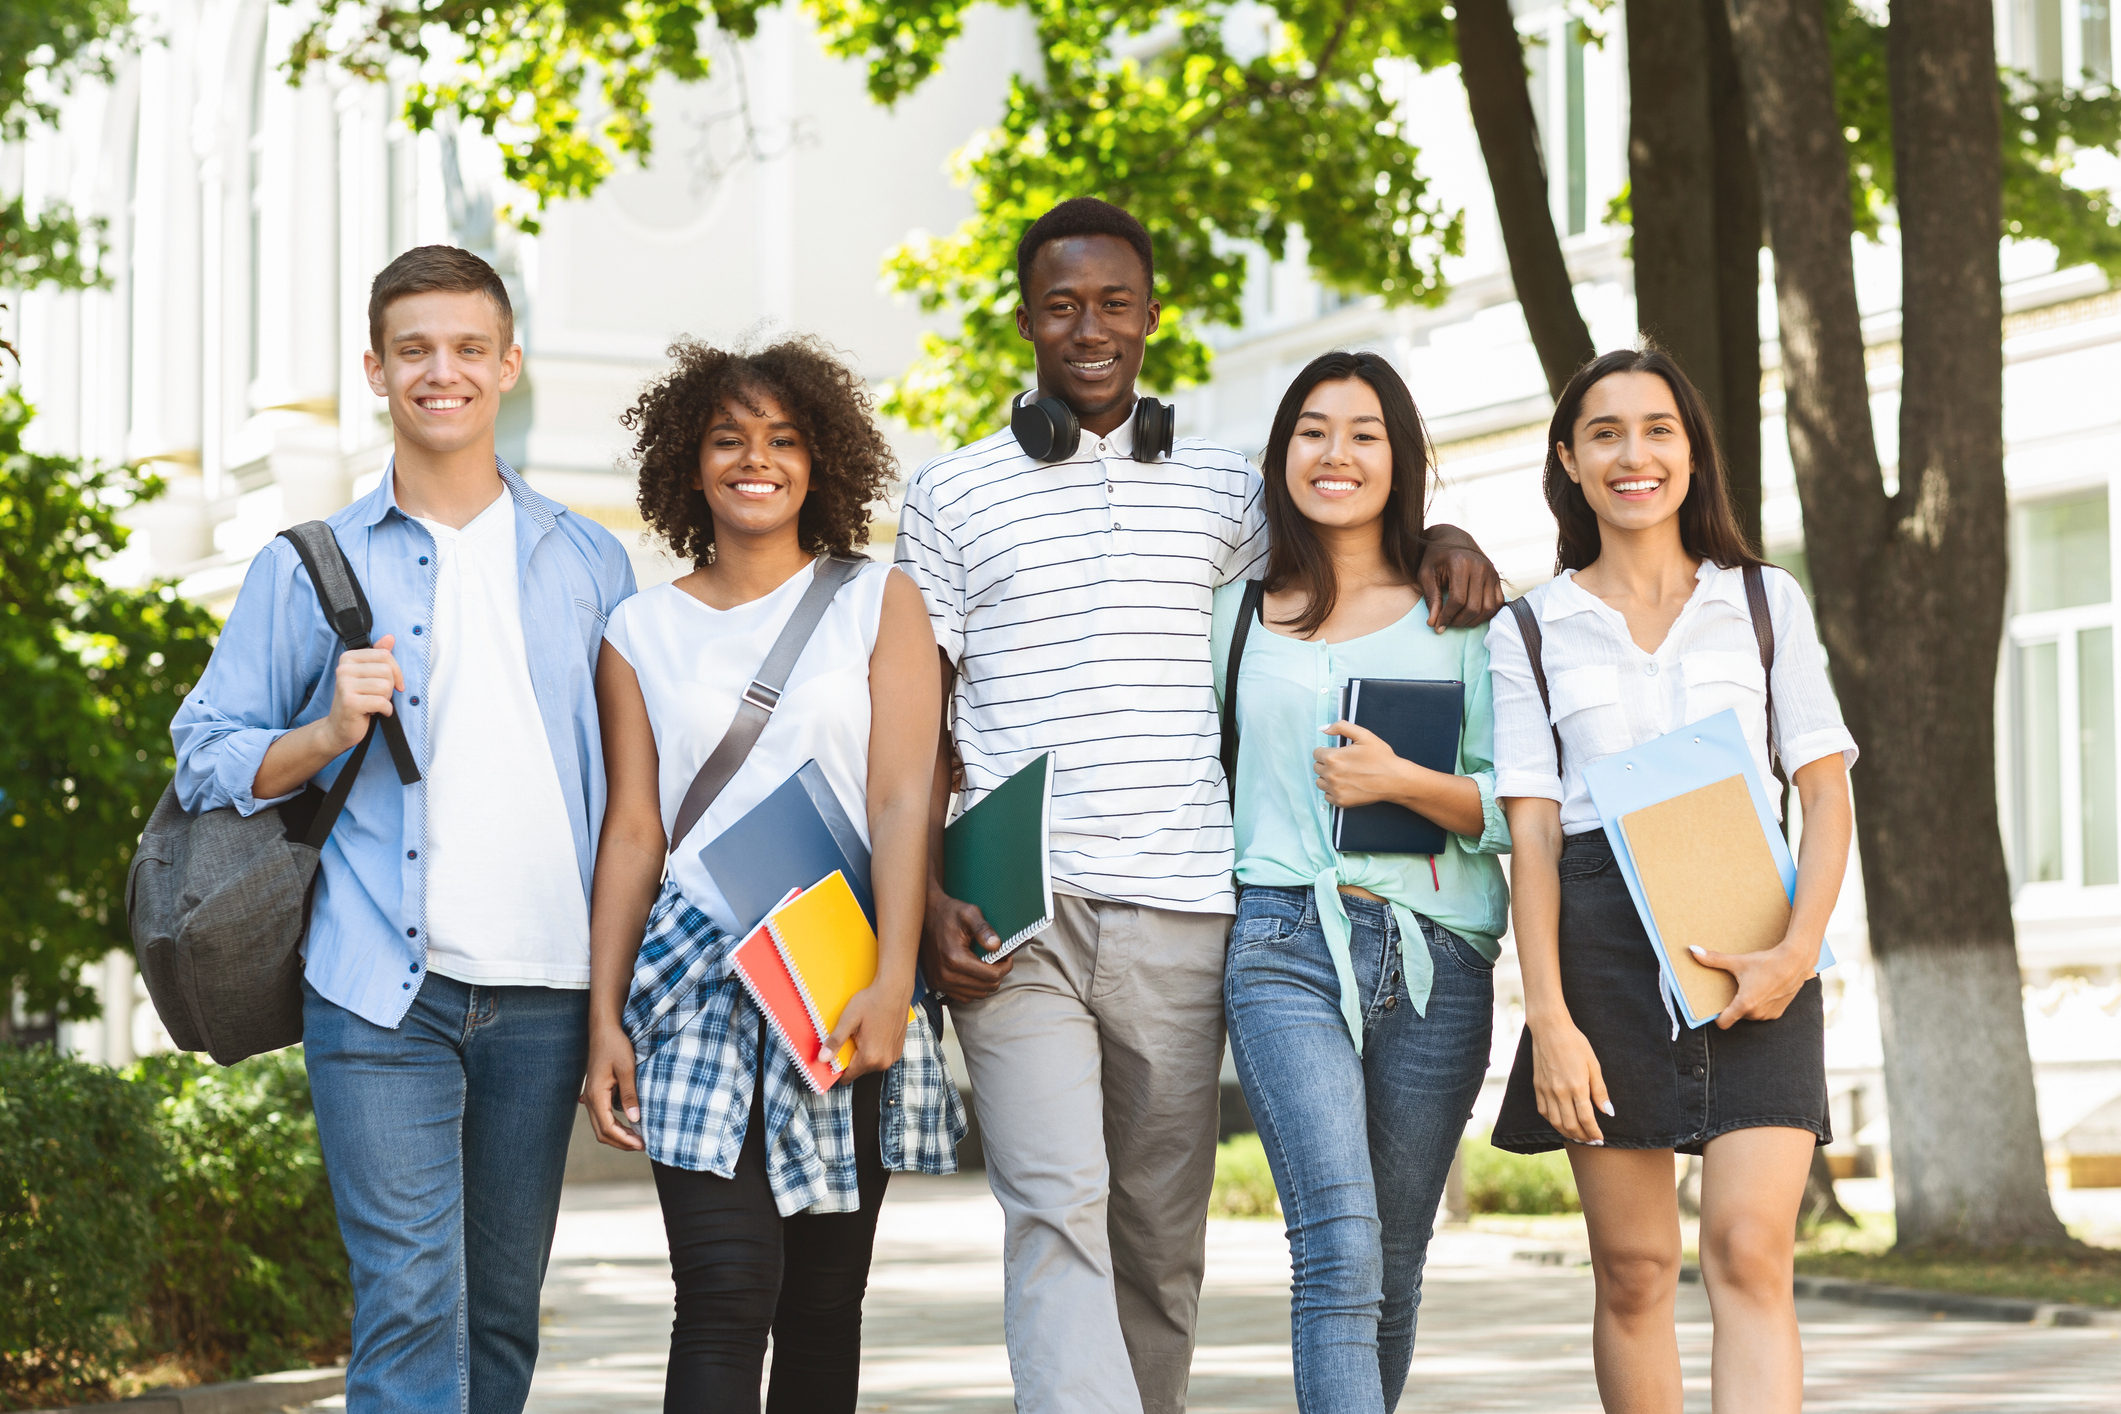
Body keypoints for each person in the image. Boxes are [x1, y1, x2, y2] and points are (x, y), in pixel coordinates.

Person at [893, 196, 1504, 1414]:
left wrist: (1443, 530)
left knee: (1159, 1239)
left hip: (1185, 903)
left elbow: (1346, 531)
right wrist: (921, 891)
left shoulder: (1230, 489)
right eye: (1061, 304)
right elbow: (915, 724)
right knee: (1055, 1205)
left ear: (1152, 314)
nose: (1090, 327)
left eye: (1115, 302)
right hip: (1020, 905)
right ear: (1026, 318)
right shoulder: (949, 493)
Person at [171, 246, 636, 1413]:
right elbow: (207, 751)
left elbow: (640, 787)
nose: (445, 372)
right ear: (375, 369)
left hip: (545, 989)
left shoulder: (589, 560)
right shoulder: (309, 566)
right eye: (416, 349)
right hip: (381, 987)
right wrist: (325, 729)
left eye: (470, 348)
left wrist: (618, 996)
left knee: (498, 1323)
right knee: (409, 1308)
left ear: (509, 364)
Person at [577, 336, 964, 1413]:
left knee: (825, 1300)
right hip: (692, 977)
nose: (759, 459)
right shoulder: (637, 630)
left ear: (820, 458)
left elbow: (901, 797)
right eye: (730, 438)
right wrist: (602, 1016)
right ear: (688, 462)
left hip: (838, 970)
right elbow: (634, 833)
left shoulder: (880, 599)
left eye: (785, 439)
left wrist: (894, 977)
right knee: (725, 1283)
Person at [1484, 347, 1855, 1413]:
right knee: (1637, 1270)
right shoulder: (1529, 629)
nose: (1633, 454)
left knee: (1748, 1249)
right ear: (1569, 458)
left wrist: (1794, 951)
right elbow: (1536, 838)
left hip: (1759, 936)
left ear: (1692, 454)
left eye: (1658, 430)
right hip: (1600, 949)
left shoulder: (1763, 599)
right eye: (1605, 432)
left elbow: (1826, 796)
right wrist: (1548, 1017)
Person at [1210, 350, 1509, 1413]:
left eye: (1365, 433)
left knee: (1394, 1262)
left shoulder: (1466, 614)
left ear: (1401, 458)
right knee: (1337, 1249)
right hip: (1284, 940)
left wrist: (1407, 783)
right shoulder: (1237, 615)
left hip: (1440, 958)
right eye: (1314, 431)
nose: (1336, 454)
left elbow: (1523, 810)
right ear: (1282, 451)